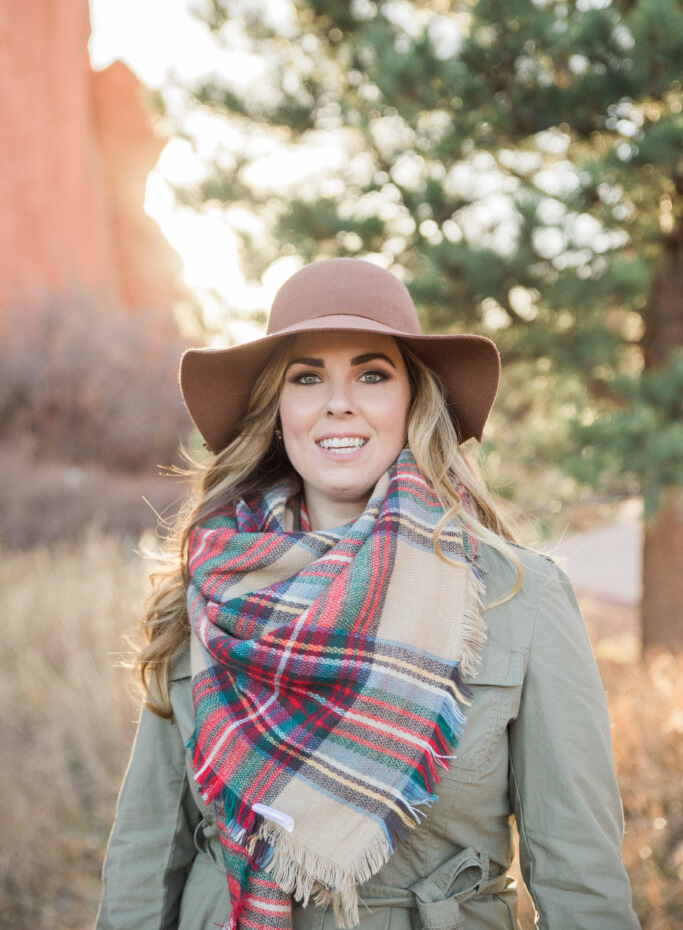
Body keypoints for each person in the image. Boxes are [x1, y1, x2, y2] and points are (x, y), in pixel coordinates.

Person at [97, 258, 640, 930]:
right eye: (306, 378)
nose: (337, 403)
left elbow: (577, 876)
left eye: (372, 374)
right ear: (276, 410)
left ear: (413, 400)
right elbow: (147, 855)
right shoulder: (212, 590)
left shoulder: (517, 596)